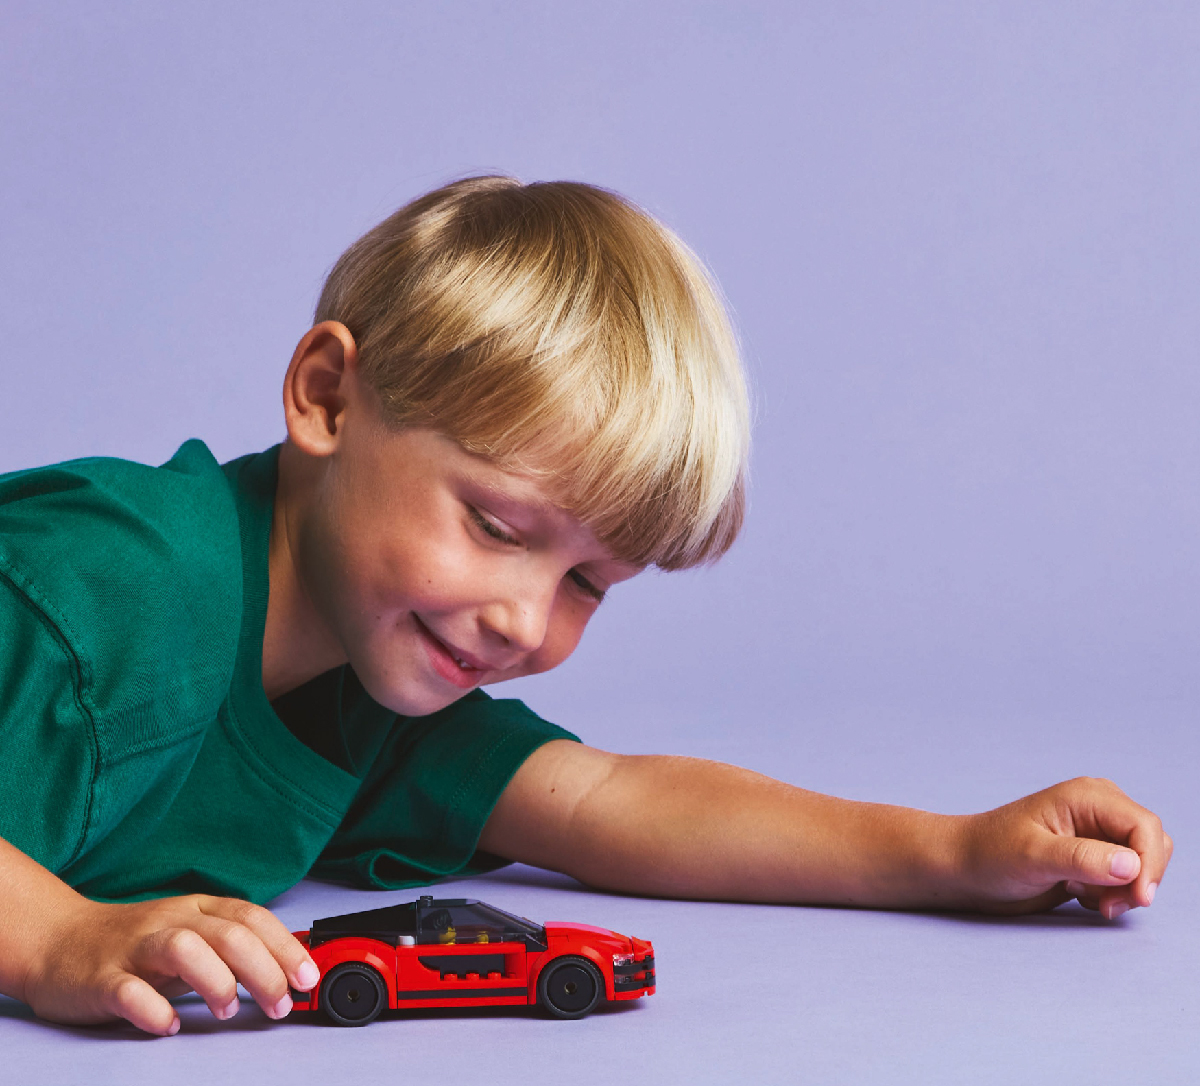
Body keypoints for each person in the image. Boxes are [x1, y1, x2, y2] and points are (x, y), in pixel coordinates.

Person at [0, 177, 1172, 1037]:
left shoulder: (370, 679)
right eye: (498, 528)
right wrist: (56, 937)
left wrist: (954, 852)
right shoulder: (105, 587)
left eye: (585, 584)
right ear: (327, 398)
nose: (523, 621)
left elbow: (608, 801)